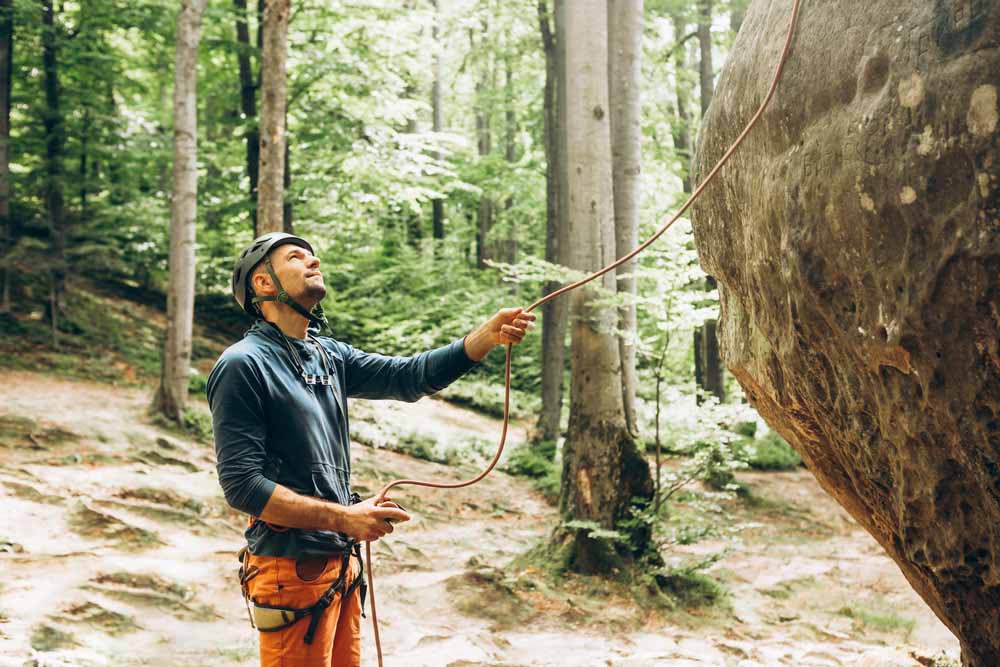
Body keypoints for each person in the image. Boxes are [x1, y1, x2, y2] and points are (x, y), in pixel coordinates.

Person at [207, 232, 534, 667]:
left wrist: (486, 336)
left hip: (340, 567)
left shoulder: (328, 355)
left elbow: (408, 378)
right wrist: (346, 518)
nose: (313, 259)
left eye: (312, 254)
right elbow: (243, 488)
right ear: (264, 285)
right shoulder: (243, 364)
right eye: (295, 257)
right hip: (291, 571)